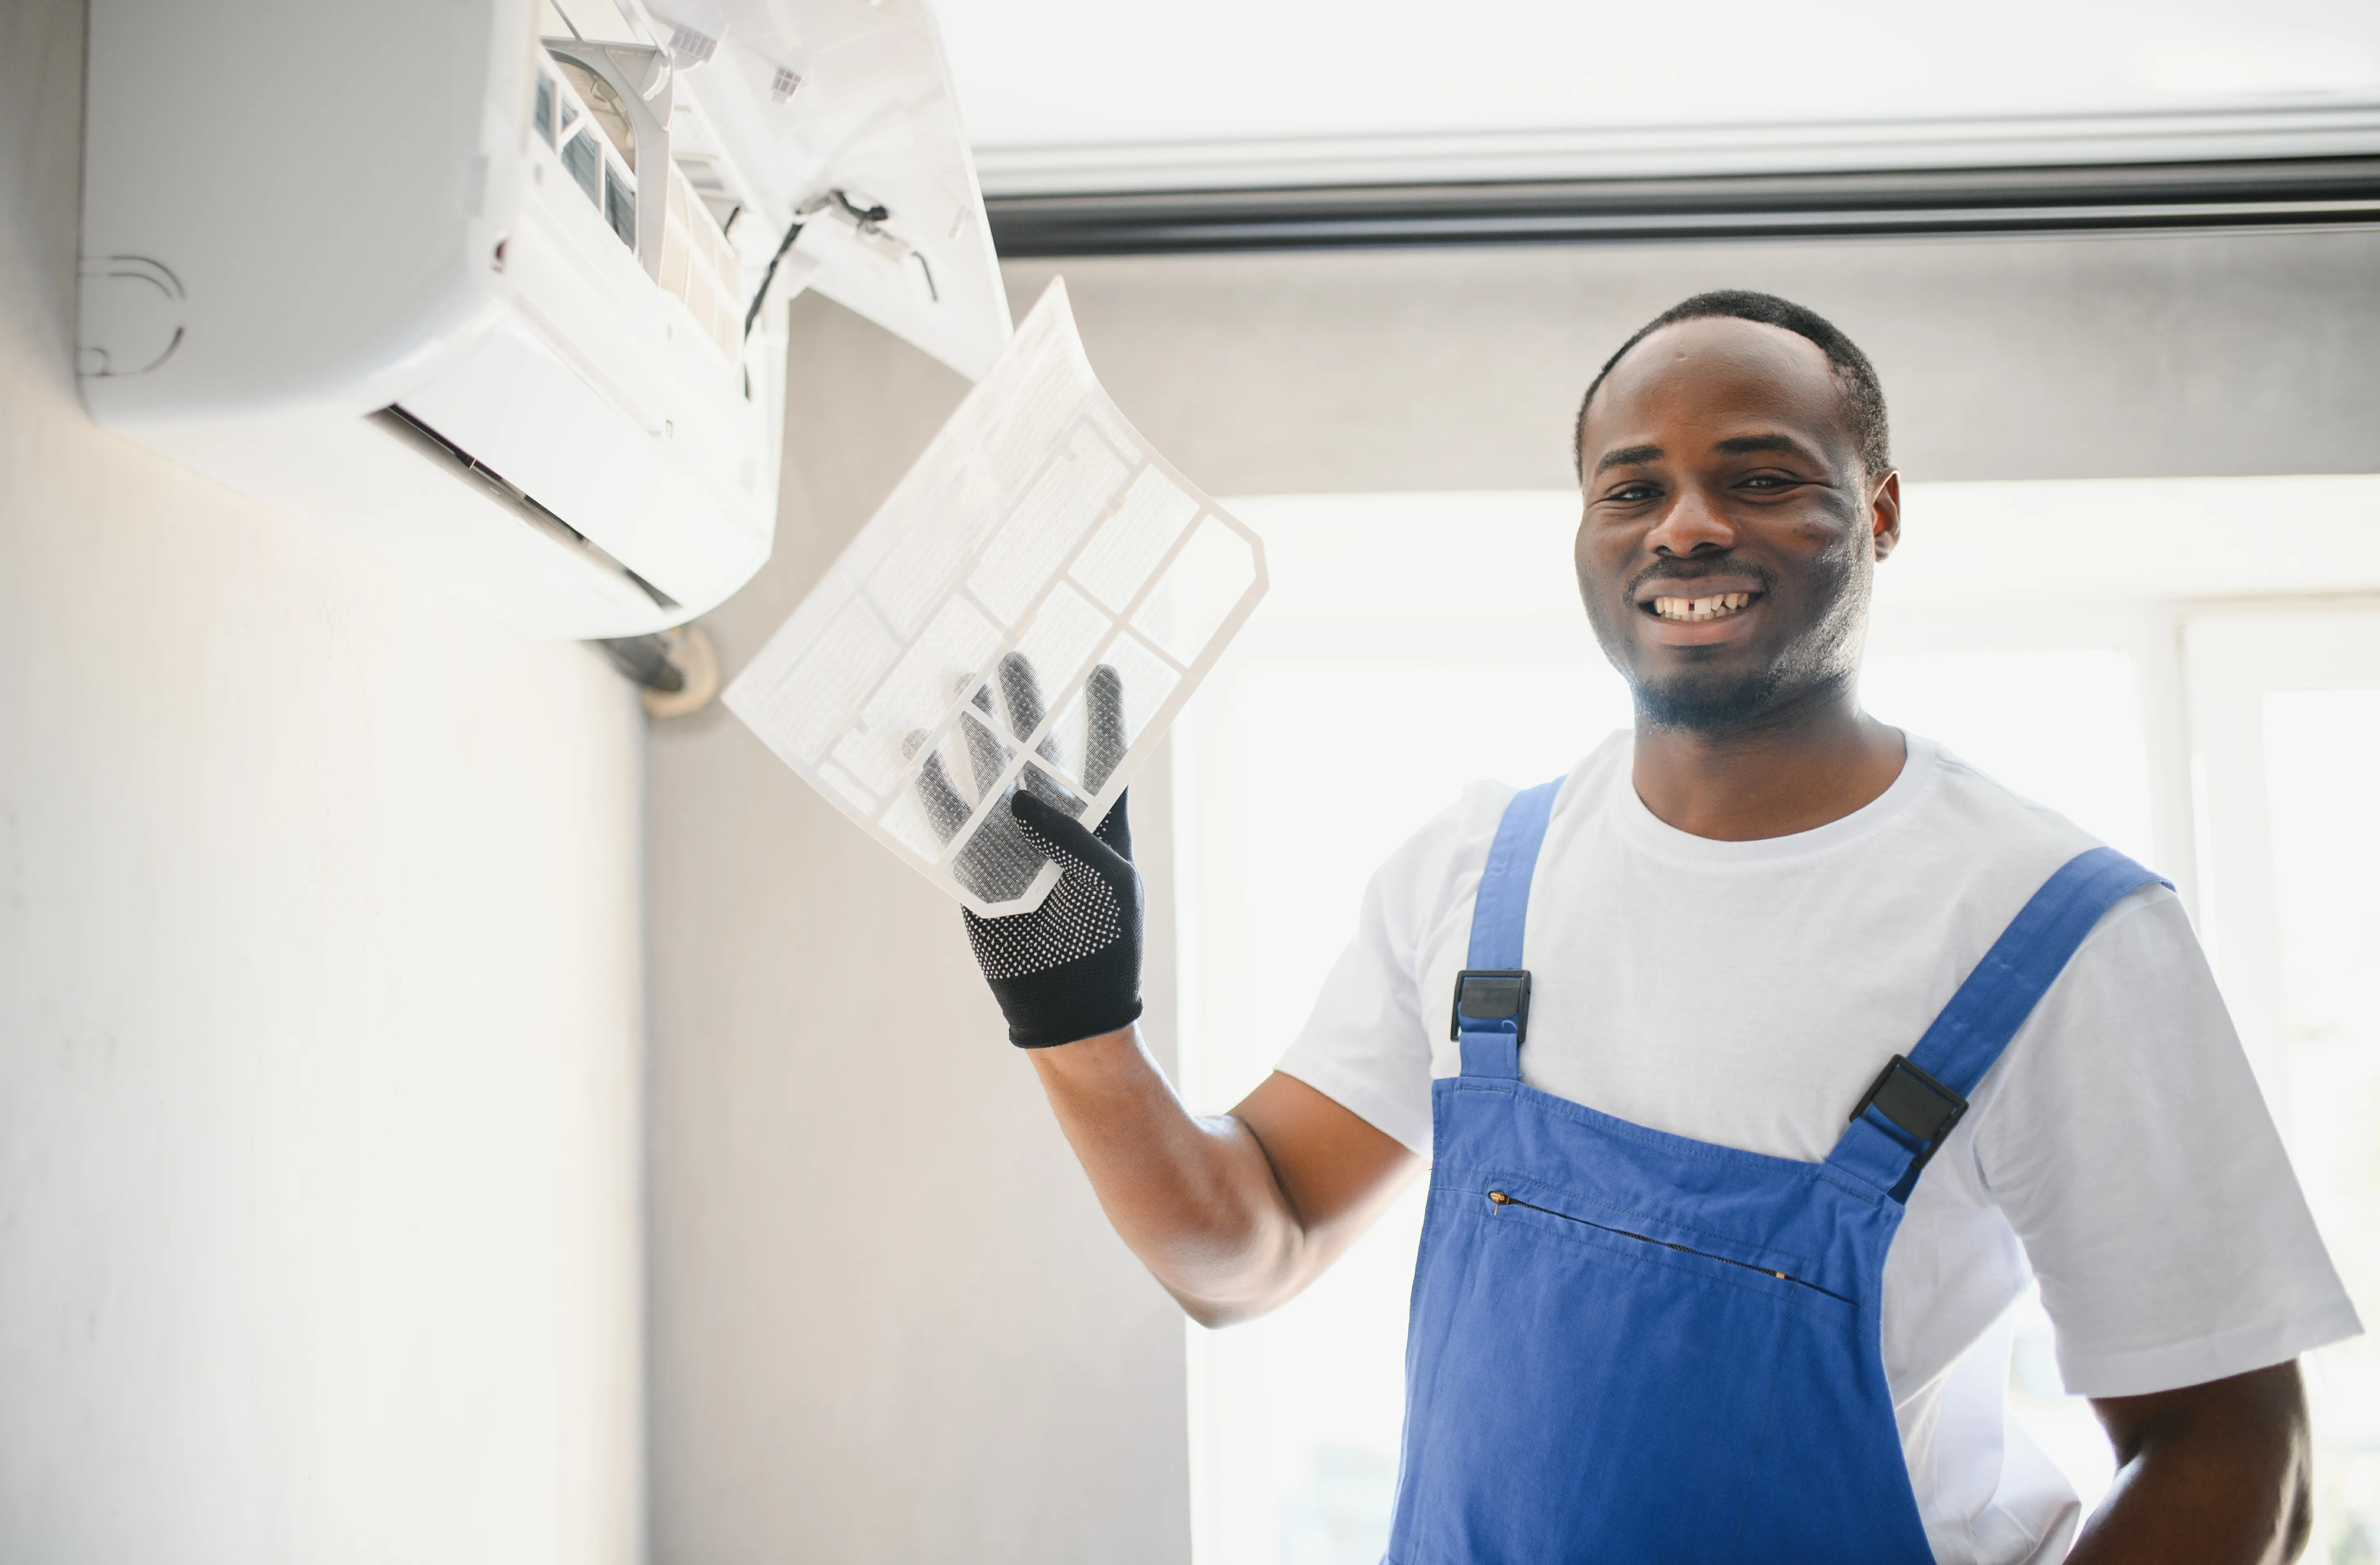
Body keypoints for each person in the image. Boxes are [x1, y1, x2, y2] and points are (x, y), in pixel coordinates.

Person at [953, 291, 2361, 1564]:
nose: (1687, 524)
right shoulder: (1470, 877)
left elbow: (2239, 1454)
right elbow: (1243, 1253)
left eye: (1759, 477)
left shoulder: (2059, 935)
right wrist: (1070, 1014)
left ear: (1877, 513)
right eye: (1634, 488)